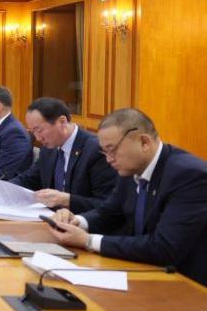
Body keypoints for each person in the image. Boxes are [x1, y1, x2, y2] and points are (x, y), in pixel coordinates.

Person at [48, 109, 207, 286]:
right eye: (104, 152)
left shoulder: (188, 175)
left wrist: (88, 241)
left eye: (112, 150)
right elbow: (110, 212)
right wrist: (77, 221)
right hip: (143, 271)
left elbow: (164, 247)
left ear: (144, 142)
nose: (108, 159)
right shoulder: (130, 168)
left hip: (187, 283)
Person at [9, 97, 116, 212]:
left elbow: (107, 205)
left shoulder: (95, 150)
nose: (38, 138)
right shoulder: (49, 148)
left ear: (62, 122)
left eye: (39, 130)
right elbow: (29, 180)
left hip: (81, 220)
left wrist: (68, 200)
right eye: (33, 132)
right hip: (50, 217)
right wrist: (1, 189)